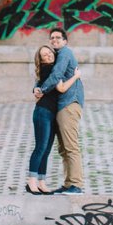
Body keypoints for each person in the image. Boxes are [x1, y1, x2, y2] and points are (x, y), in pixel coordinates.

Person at [35, 27, 85, 194]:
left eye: (58, 37)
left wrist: (41, 90)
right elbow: (44, 75)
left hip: (69, 104)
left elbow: (56, 76)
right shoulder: (55, 56)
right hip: (61, 105)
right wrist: (36, 87)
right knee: (63, 148)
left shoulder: (65, 53)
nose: (54, 40)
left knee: (71, 146)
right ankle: (68, 183)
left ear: (65, 40)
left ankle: (76, 185)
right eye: (52, 38)